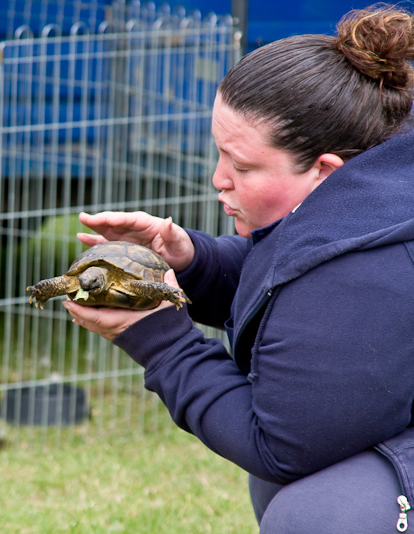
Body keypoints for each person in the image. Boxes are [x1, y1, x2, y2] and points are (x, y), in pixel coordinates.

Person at [64, 5, 414, 532]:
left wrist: (160, 339)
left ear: (324, 170)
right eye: (220, 154)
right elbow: (294, 278)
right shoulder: (373, 187)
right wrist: (194, 262)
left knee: (317, 513)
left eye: (242, 166)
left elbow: (280, 445)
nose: (217, 179)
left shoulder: (368, 265)